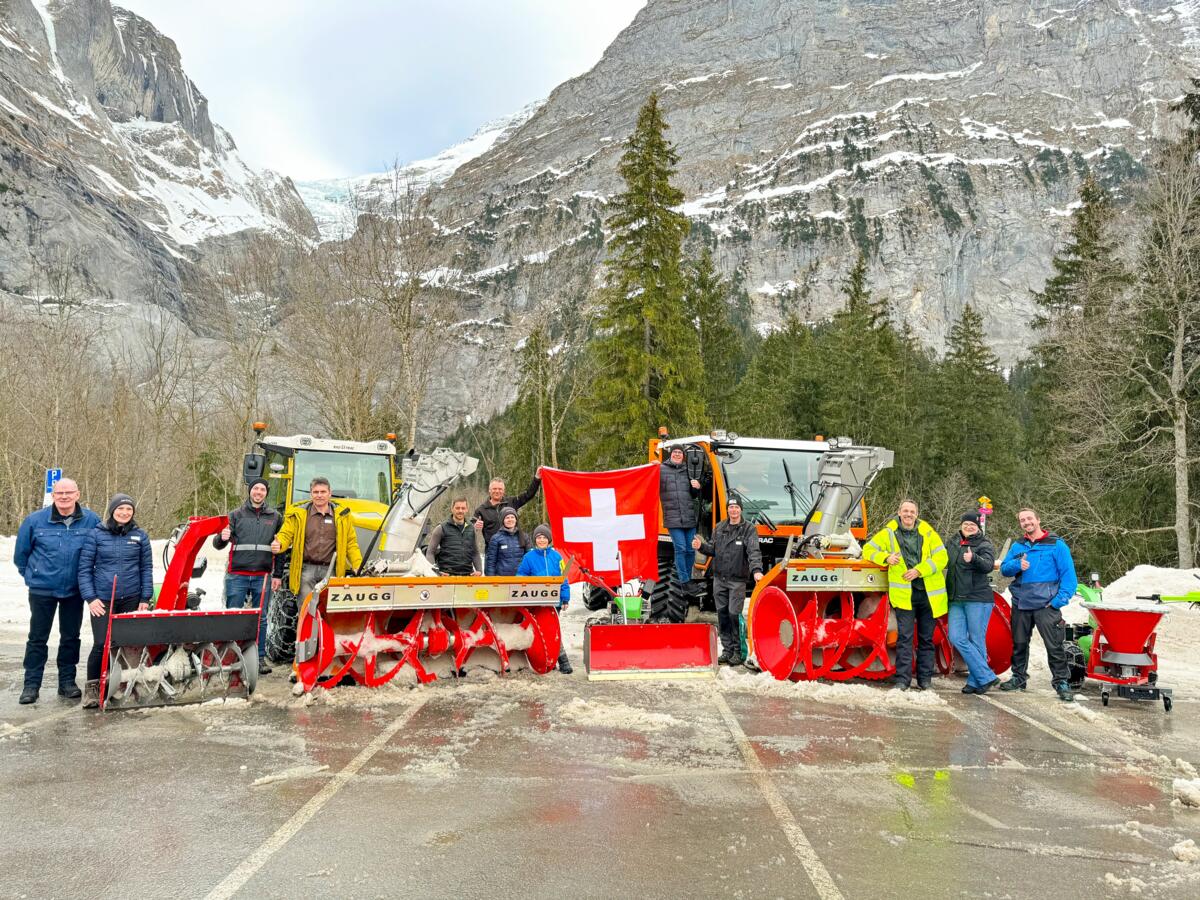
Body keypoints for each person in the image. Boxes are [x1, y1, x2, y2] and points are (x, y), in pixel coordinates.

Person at [13, 477, 100, 704]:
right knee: (37, 638)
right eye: (59, 493)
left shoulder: (91, 520)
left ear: (77, 494)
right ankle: (31, 685)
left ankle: (67, 682)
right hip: (43, 590)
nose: (64, 496)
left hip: (74, 590)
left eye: (69, 492)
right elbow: (21, 556)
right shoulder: (34, 520)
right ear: (53, 495)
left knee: (71, 637)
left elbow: (100, 550)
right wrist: (33, 576)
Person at [863, 499, 949, 690]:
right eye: (905, 511)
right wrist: (885, 557)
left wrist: (919, 570)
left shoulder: (928, 532)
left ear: (916, 514)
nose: (909, 514)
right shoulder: (888, 533)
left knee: (926, 639)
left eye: (912, 511)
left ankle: (925, 680)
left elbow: (942, 557)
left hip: (929, 596)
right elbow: (867, 550)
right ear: (899, 512)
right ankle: (903, 680)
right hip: (904, 596)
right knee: (904, 639)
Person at [78, 494, 153, 708]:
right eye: (120, 509)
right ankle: (93, 689)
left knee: (129, 644)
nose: (124, 513)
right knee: (102, 643)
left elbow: (146, 568)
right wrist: (91, 598)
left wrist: (145, 598)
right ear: (112, 511)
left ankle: (127, 684)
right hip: (103, 599)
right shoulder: (96, 534)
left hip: (131, 598)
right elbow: (84, 569)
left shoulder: (140, 536)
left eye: (129, 509)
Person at [998, 507, 1077, 701]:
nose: (1026, 522)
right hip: (1021, 603)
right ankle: (1018, 678)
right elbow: (1004, 570)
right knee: (1019, 644)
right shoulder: (1018, 546)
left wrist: (1057, 602)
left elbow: (1069, 578)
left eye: (1029, 518)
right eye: (1022, 520)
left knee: (1054, 645)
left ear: (1038, 520)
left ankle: (1061, 682)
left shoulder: (1057, 545)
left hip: (1046, 606)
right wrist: (1017, 564)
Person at [213, 477, 281, 675]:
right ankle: (231, 658)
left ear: (266, 493)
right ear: (250, 491)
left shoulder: (275, 517)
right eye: (255, 489)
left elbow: (281, 548)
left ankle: (258, 659)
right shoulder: (236, 515)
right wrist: (221, 538)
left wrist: (277, 574)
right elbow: (218, 544)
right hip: (237, 575)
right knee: (233, 616)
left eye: (262, 489)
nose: (258, 492)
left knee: (261, 619)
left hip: (263, 575)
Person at [693, 498, 763, 666]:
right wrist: (701, 546)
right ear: (727, 510)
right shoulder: (719, 527)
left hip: (737, 580)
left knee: (734, 614)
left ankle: (739, 652)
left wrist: (756, 570)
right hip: (719, 579)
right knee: (722, 615)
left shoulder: (748, 529)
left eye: (736, 507)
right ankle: (727, 650)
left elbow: (754, 551)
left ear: (741, 509)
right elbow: (712, 549)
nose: (733, 510)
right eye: (731, 507)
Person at [270, 477, 362, 604]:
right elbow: (285, 534)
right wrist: (279, 544)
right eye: (316, 492)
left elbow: (351, 543)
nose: (319, 495)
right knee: (306, 608)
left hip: (331, 571)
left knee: (328, 609)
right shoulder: (299, 514)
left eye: (323, 492)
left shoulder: (342, 516)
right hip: (306, 571)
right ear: (311, 494)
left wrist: (357, 565)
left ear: (329, 493)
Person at [945, 511, 999, 695]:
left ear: (978, 527)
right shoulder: (952, 542)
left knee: (976, 640)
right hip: (956, 599)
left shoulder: (984, 544)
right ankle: (986, 676)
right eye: (966, 524)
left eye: (972, 524)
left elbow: (988, 565)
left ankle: (976, 681)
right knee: (956, 637)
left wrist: (974, 558)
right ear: (961, 525)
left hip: (978, 599)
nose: (969, 526)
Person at [516, 524, 572, 674]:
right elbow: (520, 575)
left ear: (549, 539)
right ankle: (555, 661)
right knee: (543, 632)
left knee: (553, 631)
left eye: (544, 537)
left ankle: (561, 661)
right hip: (536, 601)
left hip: (554, 601)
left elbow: (564, 579)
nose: (541, 540)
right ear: (535, 540)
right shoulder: (529, 557)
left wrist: (565, 598)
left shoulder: (557, 557)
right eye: (539, 537)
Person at [660, 445, 702, 586]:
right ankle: (684, 581)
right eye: (675, 452)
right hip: (672, 517)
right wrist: (651, 466)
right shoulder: (661, 469)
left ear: (683, 456)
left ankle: (687, 578)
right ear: (671, 454)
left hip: (689, 517)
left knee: (690, 550)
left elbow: (694, 495)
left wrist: (697, 487)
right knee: (681, 548)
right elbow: (647, 479)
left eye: (680, 452)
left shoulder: (688, 470)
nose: (677, 454)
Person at [474, 475, 542, 544]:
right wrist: (475, 526)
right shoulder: (481, 510)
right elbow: (471, 527)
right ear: (489, 490)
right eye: (494, 489)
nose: (497, 491)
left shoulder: (511, 502)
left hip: (513, 546)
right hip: (493, 548)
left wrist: (537, 478)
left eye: (500, 489)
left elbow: (528, 494)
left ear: (503, 491)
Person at [426, 498, 483, 576]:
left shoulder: (471, 528)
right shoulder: (441, 528)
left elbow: (475, 553)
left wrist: (479, 570)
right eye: (457, 508)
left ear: (467, 509)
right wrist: (435, 572)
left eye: (463, 508)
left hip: (468, 576)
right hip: (446, 576)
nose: (460, 511)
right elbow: (430, 552)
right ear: (452, 509)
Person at [485, 507, 531, 576]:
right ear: (503, 520)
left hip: (521, 577)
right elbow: (491, 562)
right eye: (507, 518)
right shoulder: (496, 538)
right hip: (502, 578)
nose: (510, 520)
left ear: (516, 520)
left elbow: (529, 559)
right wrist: (491, 578)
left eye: (512, 517)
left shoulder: (524, 537)